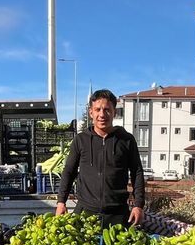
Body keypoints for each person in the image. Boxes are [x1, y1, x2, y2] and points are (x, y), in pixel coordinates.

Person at [56, 89, 145, 227]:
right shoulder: (81, 140)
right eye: (98, 109)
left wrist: (138, 205)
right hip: (86, 212)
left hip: (118, 214)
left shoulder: (126, 140)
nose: (102, 114)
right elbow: (69, 171)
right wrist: (61, 201)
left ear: (114, 112)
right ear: (91, 112)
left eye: (107, 110)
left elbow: (137, 172)